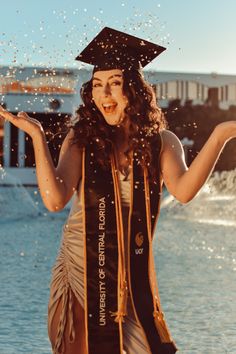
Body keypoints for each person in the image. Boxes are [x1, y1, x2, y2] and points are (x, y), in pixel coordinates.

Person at [0, 27, 236, 354]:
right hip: (84, 265)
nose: (104, 95)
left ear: (134, 90)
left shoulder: (162, 143)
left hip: (131, 276)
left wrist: (222, 134)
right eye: (97, 85)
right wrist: (37, 137)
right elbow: (55, 200)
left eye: (114, 84)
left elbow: (182, 191)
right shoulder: (81, 139)